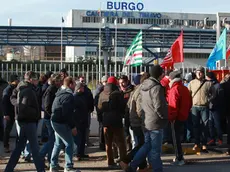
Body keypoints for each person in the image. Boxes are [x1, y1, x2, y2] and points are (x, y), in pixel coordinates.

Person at [124, 65, 168, 172]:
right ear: (159, 74)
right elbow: (159, 106)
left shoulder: (143, 86)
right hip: (155, 122)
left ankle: (133, 166)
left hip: (146, 120)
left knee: (147, 145)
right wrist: (164, 117)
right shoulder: (156, 87)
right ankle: (157, 169)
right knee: (155, 150)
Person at [5, 71, 45, 172]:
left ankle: (8, 169)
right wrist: (34, 114)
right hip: (28, 122)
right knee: (35, 148)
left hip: (25, 121)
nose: (37, 80)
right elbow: (24, 107)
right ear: (30, 79)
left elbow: (21, 105)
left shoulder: (26, 88)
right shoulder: (27, 90)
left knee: (19, 147)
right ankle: (40, 170)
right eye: (35, 78)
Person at [49, 77, 78, 172]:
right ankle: (68, 167)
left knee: (57, 144)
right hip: (61, 123)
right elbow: (67, 113)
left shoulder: (60, 93)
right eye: (74, 83)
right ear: (70, 85)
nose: (75, 86)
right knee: (70, 144)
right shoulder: (68, 96)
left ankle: (53, 165)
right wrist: (73, 126)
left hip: (55, 121)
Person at [98, 76, 127, 168]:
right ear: (115, 83)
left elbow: (99, 107)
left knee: (108, 143)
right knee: (121, 142)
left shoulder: (102, 93)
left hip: (106, 120)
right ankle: (123, 161)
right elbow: (123, 107)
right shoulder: (118, 93)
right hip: (117, 121)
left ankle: (110, 162)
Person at [167, 70, 192, 165]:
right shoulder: (184, 88)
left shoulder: (174, 89)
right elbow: (190, 103)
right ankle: (179, 156)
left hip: (176, 117)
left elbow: (173, 106)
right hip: (183, 115)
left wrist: (171, 118)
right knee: (177, 137)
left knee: (175, 138)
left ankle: (179, 158)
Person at [188, 66, 212, 152]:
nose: (199, 73)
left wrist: (208, 100)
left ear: (203, 73)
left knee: (205, 126)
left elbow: (213, 94)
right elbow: (188, 95)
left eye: (200, 72)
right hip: (195, 107)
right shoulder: (191, 83)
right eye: (197, 72)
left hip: (204, 107)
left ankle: (204, 143)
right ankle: (197, 143)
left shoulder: (208, 83)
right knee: (195, 126)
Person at [40, 74, 62, 166]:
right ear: (56, 81)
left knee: (53, 140)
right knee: (52, 140)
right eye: (60, 80)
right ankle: (41, 156)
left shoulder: (53, 89)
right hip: (50, 118)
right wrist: (53, 115)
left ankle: (50, 160)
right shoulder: (51, 90)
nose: (61, 82)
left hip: (50, 118)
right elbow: (46, 106)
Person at [2, 74, 19, 153]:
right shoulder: (8, 89)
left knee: (16, 131)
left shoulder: (15, 88)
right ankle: (6, 146)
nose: (18, 81)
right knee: (7, 130)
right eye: (17, 79)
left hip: (15, 112)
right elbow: (4, 102)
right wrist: (5, 114)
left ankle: (17, 147)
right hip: (9, 113)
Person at [73, 81, 89, 161]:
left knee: (82, 138)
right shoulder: (75, 97)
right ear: (79, 89)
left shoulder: (82, 96)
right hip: (78, 120)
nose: (83, 88)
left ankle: (81, 153)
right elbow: (74, 110)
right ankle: (76, 153)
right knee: (77, 138)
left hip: (83, 120)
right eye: (82, 87)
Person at [206, 72, 223, 146]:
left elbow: (220, 97)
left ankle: (219, 138)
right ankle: (212, 138)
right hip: (210, 106)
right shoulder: (211, 84)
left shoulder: (217, 86)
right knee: (211, 124)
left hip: (215, 107)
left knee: (217, 124)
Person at [119, 75, 134, 151]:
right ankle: (128, 147)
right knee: (125, 132)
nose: (121, 85)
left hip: (131, 114)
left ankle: (133, 148)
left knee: (132, 133)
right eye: (120, 83)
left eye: (123, 83)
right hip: (123, 115)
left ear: (127, 82)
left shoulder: (132, 90)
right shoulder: (119, 91)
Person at [94, 75, 108, 150]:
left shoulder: (105, 89)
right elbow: (96, 102)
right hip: (101, 113)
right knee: (101, 128)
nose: (106, 83)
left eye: (107, 81)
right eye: (104, 82)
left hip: (105, 113)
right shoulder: (99, 90)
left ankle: (104, 144)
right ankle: (102, 144)